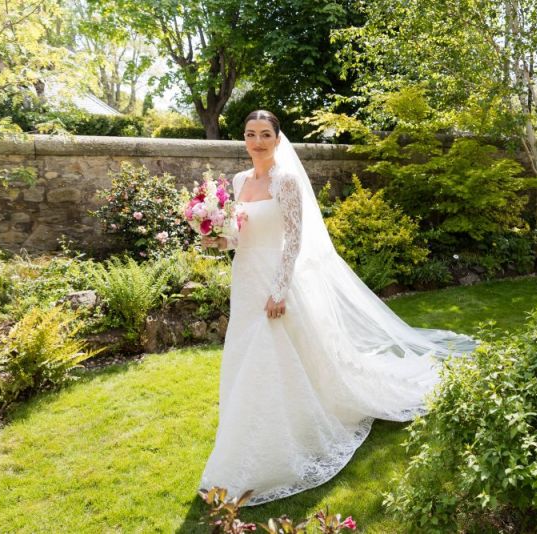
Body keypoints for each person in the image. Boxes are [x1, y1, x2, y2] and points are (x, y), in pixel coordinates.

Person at [198, 110, 475, 505]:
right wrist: (217, 240)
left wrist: (279, 289)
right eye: (250, 134)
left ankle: (277, 441)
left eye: (264, 134)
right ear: (243, 139)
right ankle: (251, 427)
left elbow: (293, 239)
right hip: (245, 279)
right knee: (248, 356)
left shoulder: (286, 181)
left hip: (276, 282)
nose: (257, 141)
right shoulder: (239, 182)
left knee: (277, 353)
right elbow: (240, 238)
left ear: (278, 140)